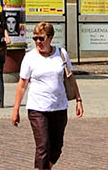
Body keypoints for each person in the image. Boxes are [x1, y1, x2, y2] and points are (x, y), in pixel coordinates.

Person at [12, 20, 82, 169]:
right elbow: (22, 84)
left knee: (57, 147)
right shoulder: (30, 57)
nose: (38, 42)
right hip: (37, 108)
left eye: (41, 38)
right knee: (43, 146)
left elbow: (70, 77)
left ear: (50, 38)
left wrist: (78, 100)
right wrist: (15, 109)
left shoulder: (61, 54)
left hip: (59, 107)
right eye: (35, 38)